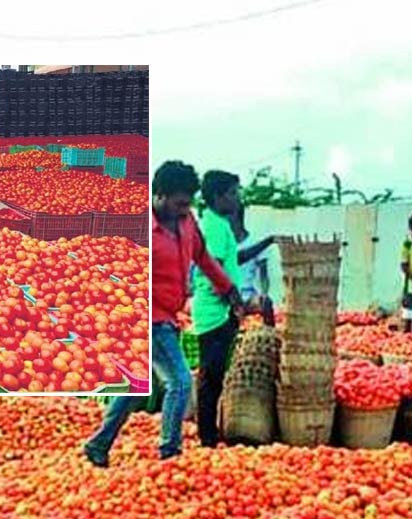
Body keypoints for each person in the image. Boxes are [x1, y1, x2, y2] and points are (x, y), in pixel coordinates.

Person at [84, 161, 241, 467]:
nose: (185, 210)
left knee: (136, 387)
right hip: (147, 317)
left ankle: (99, 444)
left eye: (188, 203)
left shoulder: (187, 222)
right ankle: (170, 451)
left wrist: (228, 288)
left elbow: (203, 258)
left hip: (168, 314)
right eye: (179, 203)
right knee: (180, 382)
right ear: (159, 195)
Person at [191, 170, 274, 448]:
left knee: (214, 374)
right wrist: (234, 301)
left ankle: (210, 431)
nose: (237, 199)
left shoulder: (217, 224)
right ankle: (207, 436)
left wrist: (266, 242)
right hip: (215, 313)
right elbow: (213, 268)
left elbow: (232, 259)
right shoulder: (215, 227)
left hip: (218, 311)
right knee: (211, 376)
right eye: (233, 193)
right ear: (218, 197)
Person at [231, 204, 276, 326]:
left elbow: (263, 273)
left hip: (248, 295)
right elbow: (239, 258)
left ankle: (270, 334)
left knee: (266, 303)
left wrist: (264, 293)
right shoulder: (223, 241)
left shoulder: (254, 240)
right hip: (229, 296)